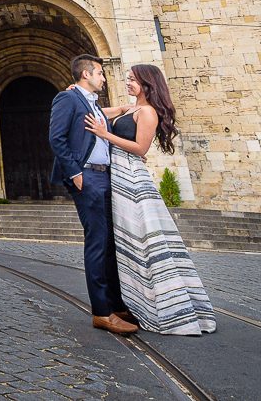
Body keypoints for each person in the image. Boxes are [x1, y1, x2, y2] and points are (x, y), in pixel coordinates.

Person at [84, 64, 217, 335]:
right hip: (118, 174)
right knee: (128, 239)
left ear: (148, 84)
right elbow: (94, 114)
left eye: (133, 80)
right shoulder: (131, 108)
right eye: (128, 79)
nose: (128, 83)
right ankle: (137, 300)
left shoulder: (147, 112)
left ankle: (164, 304)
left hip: (131, 177)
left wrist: (104, 134)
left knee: (142, 237)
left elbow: (141, 148)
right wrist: (79, 94)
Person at [48, 54, 138, 335]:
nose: (104, 77)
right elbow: (56, 137)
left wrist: (126, 107)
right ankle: (102, 312)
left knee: (110, 241)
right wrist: (76, 173)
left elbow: (102, 118)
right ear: (86, 74)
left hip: (104, 175)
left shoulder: (91, 104)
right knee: (97, 242)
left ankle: (115, 304)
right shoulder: (67, 98)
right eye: (100, 73)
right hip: (88, 177)